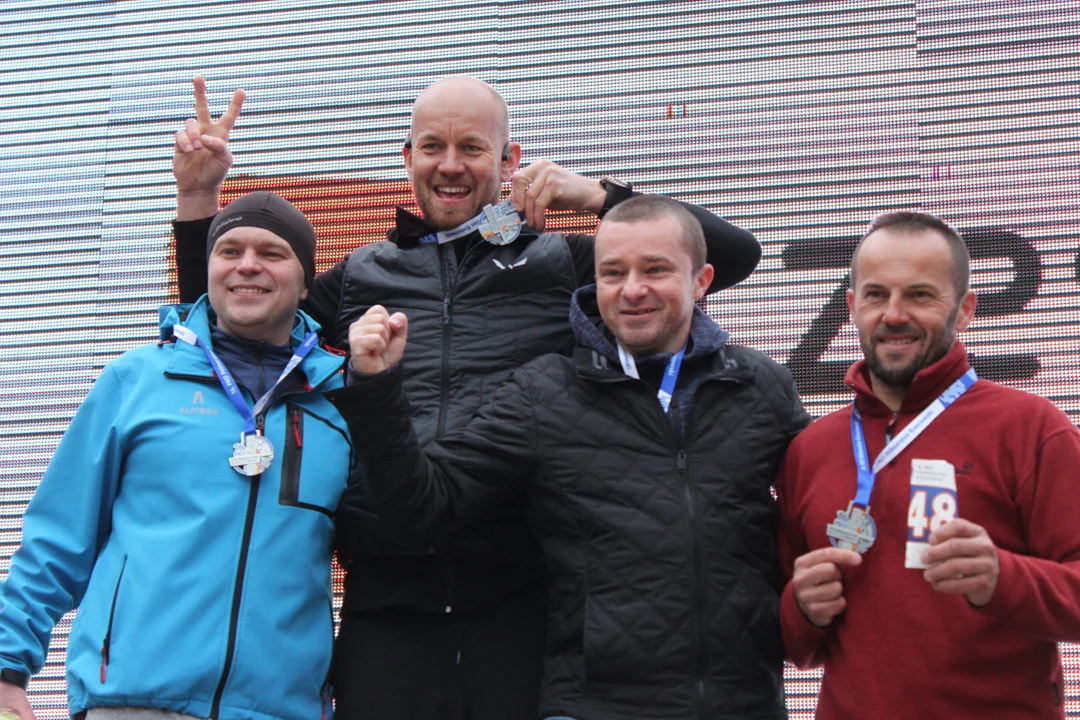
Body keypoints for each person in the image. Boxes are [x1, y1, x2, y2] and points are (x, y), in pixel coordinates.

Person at [171, 76, 764, 718]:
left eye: (473, 148)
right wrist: (198, 195)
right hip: (385, 601)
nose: (450, 165)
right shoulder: (358, 277)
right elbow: (227, 326)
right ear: (407, 158)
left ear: (509, 160)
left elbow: (731, 255)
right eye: (432, 146)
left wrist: (595, 194)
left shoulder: (559, 262)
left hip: (523, 599)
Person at [331, 196, 809, 720]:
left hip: (743, 703)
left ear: (701, 280)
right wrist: (378, 388)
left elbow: (825, 509)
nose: (632, 290)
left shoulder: (761, 385)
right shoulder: (545, 393)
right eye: (613, 272)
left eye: (656, 270)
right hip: (592, 706)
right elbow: (420, 506)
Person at [0, 192, 351, 720]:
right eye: (229, 251)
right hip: (133, 702)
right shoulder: (137, 381)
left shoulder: (339, 409)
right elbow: (59, 537)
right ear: (208, 270)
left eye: (272, 253)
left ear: (305, 284)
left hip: (278, 710)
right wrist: (7, 665)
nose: (247, 265)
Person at [777, 211, 1080, 719]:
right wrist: (801, 610)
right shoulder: (809, 450)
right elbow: (792, 643)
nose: (893, 314)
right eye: (876, 295)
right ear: (851, 307)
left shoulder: (1032, 429)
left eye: (919, 295)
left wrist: (1002, 579)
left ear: (963, 311)